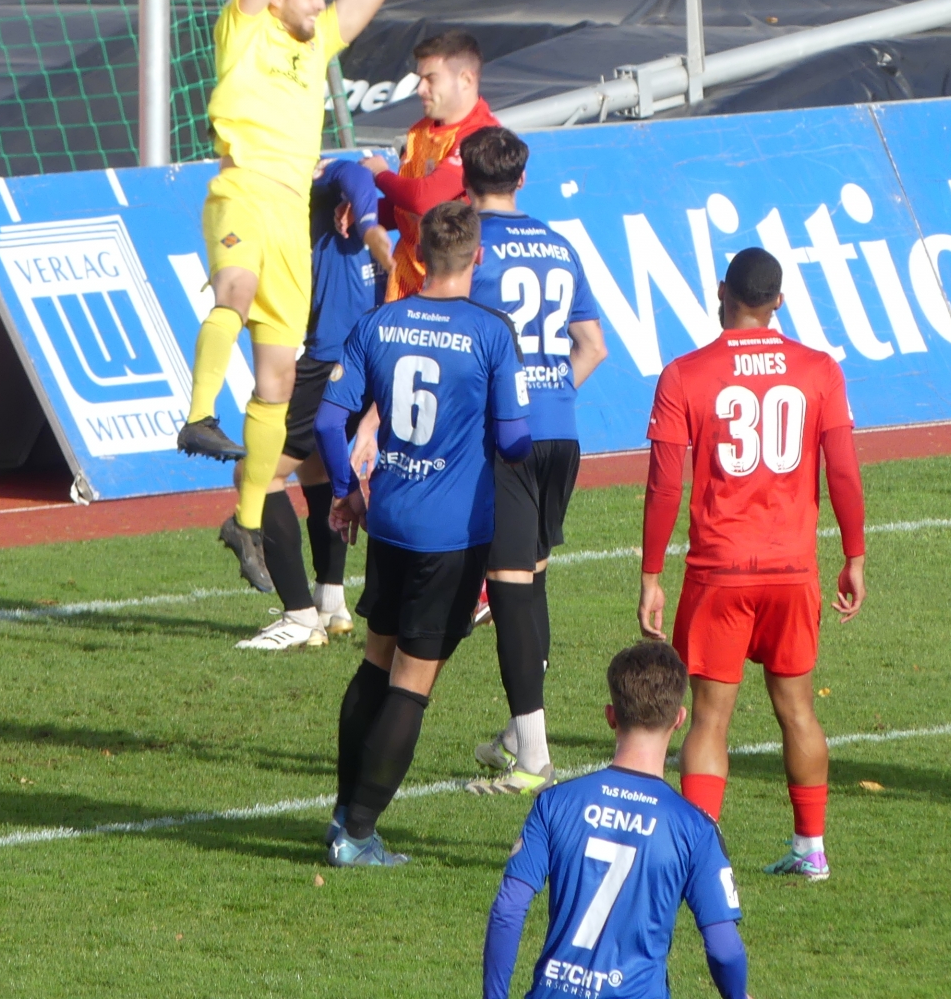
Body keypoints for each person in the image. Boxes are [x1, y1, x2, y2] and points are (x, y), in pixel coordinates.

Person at [172, 0, 400, 597]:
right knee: (232, 294)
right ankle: (199, 414)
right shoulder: (246, 29)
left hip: (290, 215)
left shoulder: (317, 44)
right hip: (241, 190)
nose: (317, 0)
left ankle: (244, 520)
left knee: (276, 381)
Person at [639, 247, 869, 881]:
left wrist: (651, 575)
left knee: (710, 718)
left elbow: (665, 485)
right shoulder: (819, 370)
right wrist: (853, 554)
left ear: (723, 292)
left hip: (720, 570)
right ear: (779, 301)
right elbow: (843, 471)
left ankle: (700, 861)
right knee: (797, 709)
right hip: (793, 570)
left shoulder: (685, 374)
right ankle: (811, 848)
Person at [314, 202, 530, 865]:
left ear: (417, 256)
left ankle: (342, 814)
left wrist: (349, 491)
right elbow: (515, 439)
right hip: (452, 533)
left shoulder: (379, 323)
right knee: (412, 682)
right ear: (478, 258)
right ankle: (358, 833)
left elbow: (327, 422)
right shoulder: (491, 331)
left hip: (392, 520)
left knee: (375, 662)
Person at [460, 126, 608, 796]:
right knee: (532, 582)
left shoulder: (469, 245)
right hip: (560, 431)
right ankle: (521, 738)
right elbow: (593, 344)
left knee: (510, 590)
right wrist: (552, 391)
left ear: (465, 179)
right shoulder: (557, 243)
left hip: (508, 436)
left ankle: (534, 760)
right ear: (522, 179)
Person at [482, 641, 750, 999]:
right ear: (679, 719)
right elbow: (724, 948)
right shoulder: (694, 828)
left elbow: (508, 908)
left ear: (611, 716)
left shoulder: (555, 803)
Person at [236, 158, 391, 649]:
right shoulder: (311, 207)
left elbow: (354, 172)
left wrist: (368, 225)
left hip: (332, 359)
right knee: (316, 470)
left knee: (256, 475)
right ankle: (330, 600)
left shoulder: (321, 189)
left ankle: (299, 616)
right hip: (364, 357)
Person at [362, 30, 497, 300]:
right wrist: (362, 211)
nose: (420, 89)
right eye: (420, 79)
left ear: (466, 79)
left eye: (431, 79)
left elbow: (425, 199)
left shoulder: (481, 135)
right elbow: (405, 208)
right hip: (406, 283)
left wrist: (379, 173)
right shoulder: (420, 131)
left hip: (451, 290)